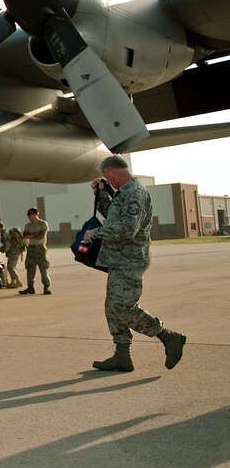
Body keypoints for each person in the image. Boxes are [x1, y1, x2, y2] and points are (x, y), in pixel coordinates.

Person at [81, 155, 186, 372]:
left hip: (130, 259)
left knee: (122, 306)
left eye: (106, 178)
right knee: (112, 307)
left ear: (112, 171)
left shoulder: (135, 193)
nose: (107, 181)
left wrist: (96, 232)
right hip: (119, 259)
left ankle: (168, 337)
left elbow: (128, 229)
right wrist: (100, 194)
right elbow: (113, 216)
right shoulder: (124, 193)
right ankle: (122, 355)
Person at [18, 207, 51, 295]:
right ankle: (30, 287)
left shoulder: (43, 223)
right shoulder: (28, 225)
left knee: (43, 268)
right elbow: (24, 236)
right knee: (30, 268)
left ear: (36, 214)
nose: (29, 216)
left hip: (40, 248)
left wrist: (31, 236)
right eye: (28, 214)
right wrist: (36, 233)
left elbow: (41, 236)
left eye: (31, 214)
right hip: (31, 248)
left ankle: (46, 287)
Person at [0, 221, 25, 288]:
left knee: (11, 267)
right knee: (13, 266)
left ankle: (18, 281)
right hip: (17, 250)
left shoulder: (4, 234)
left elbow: (7, 246)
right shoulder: (8, 231)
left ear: (0, 228)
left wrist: (1, 250)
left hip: (13, 252)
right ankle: (13, 282)